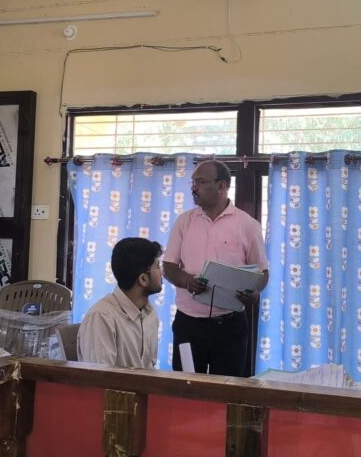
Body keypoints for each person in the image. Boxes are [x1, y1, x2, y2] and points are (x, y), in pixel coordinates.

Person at [163, 159, 268, 377]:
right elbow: (169, 267)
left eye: (200, 182)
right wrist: (188, 281)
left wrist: (254, 293)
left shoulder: (248, 225)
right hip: (189, 324)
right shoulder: (184, 221)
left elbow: (262, 273)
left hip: (230, 326)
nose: (194, 188)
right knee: (186, 388)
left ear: (222, 186)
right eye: (193, 182)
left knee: (228, 391)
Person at [77, 238, 163, 369]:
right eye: (158, 267)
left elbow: (150, 366)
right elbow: (99, 377)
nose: (162, 273)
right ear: (143, 279)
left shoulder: (150, 313)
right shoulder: (101, 318)